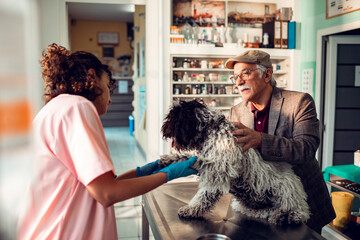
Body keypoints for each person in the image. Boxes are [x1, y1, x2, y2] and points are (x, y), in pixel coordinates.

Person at [17, 43, 197, 240]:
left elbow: (97, 186)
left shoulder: (56, 108)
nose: (110, 99)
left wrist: (145, 171)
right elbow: (106, 193)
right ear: (92, 77)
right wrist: (169, 174)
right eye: (108, 85)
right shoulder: (77, 107)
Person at [225, 50, 335, 234]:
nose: (238, 82)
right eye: (235, 77)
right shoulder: (235, 112)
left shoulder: (299, 102)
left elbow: (306, 149)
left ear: (267, 74)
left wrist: (260, 140)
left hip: (303, 203)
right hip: (261, 206)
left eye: (245, 73)